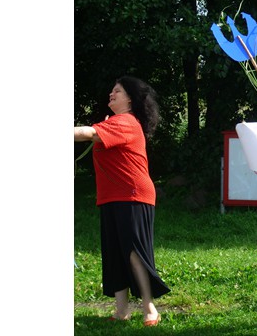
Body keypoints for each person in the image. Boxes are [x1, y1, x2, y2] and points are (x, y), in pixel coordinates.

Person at [74, 76, 170, 326]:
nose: (111, 94)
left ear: (130, 98)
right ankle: (121, 310)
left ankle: (150, 308)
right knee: (115, 252)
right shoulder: (115, 122)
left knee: (133, 253)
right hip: (111, 196)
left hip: (132, 194)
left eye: (117, 91)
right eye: (112, 90)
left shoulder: (126, 122)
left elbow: (87, 133)